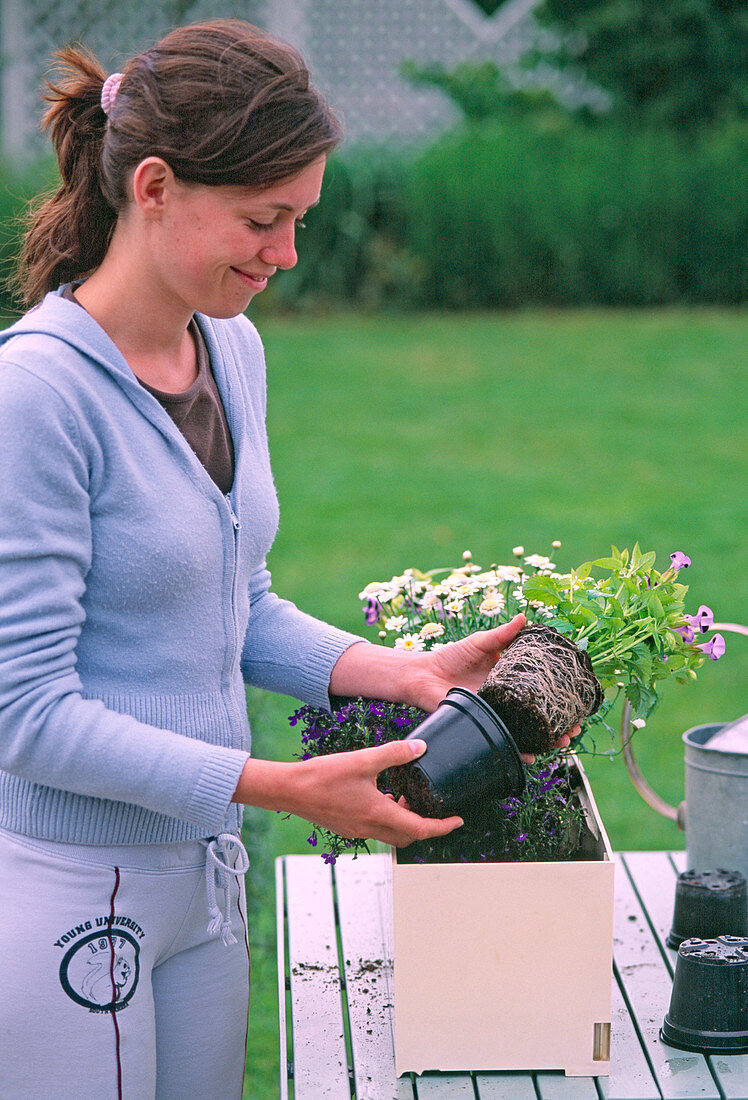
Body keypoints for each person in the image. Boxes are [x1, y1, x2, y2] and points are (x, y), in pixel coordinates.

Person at [0, 19, 571, 1098]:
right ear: (156, 185)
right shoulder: (36, 394)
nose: (288, 255)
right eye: (264, 220)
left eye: (300, 219)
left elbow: (234, 601)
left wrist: (400, 671)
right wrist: (284, 787)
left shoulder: (232, 347)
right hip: (77, 896)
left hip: (207, 884)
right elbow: (22, 711)